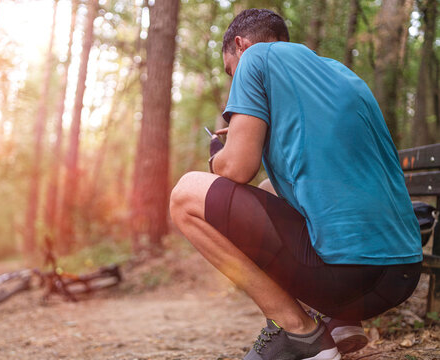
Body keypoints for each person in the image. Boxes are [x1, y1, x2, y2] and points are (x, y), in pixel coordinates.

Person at [169, 8, 422, 360]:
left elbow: (238, 168)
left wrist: (218, 154)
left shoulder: (254, 57)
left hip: (348, 277)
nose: (234, 81)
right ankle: (342, 322)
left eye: (231, 72)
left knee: (185, 195)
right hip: (401, 274)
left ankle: (298, 332)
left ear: (240, 46)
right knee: (272, 191)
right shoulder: (340, 73)